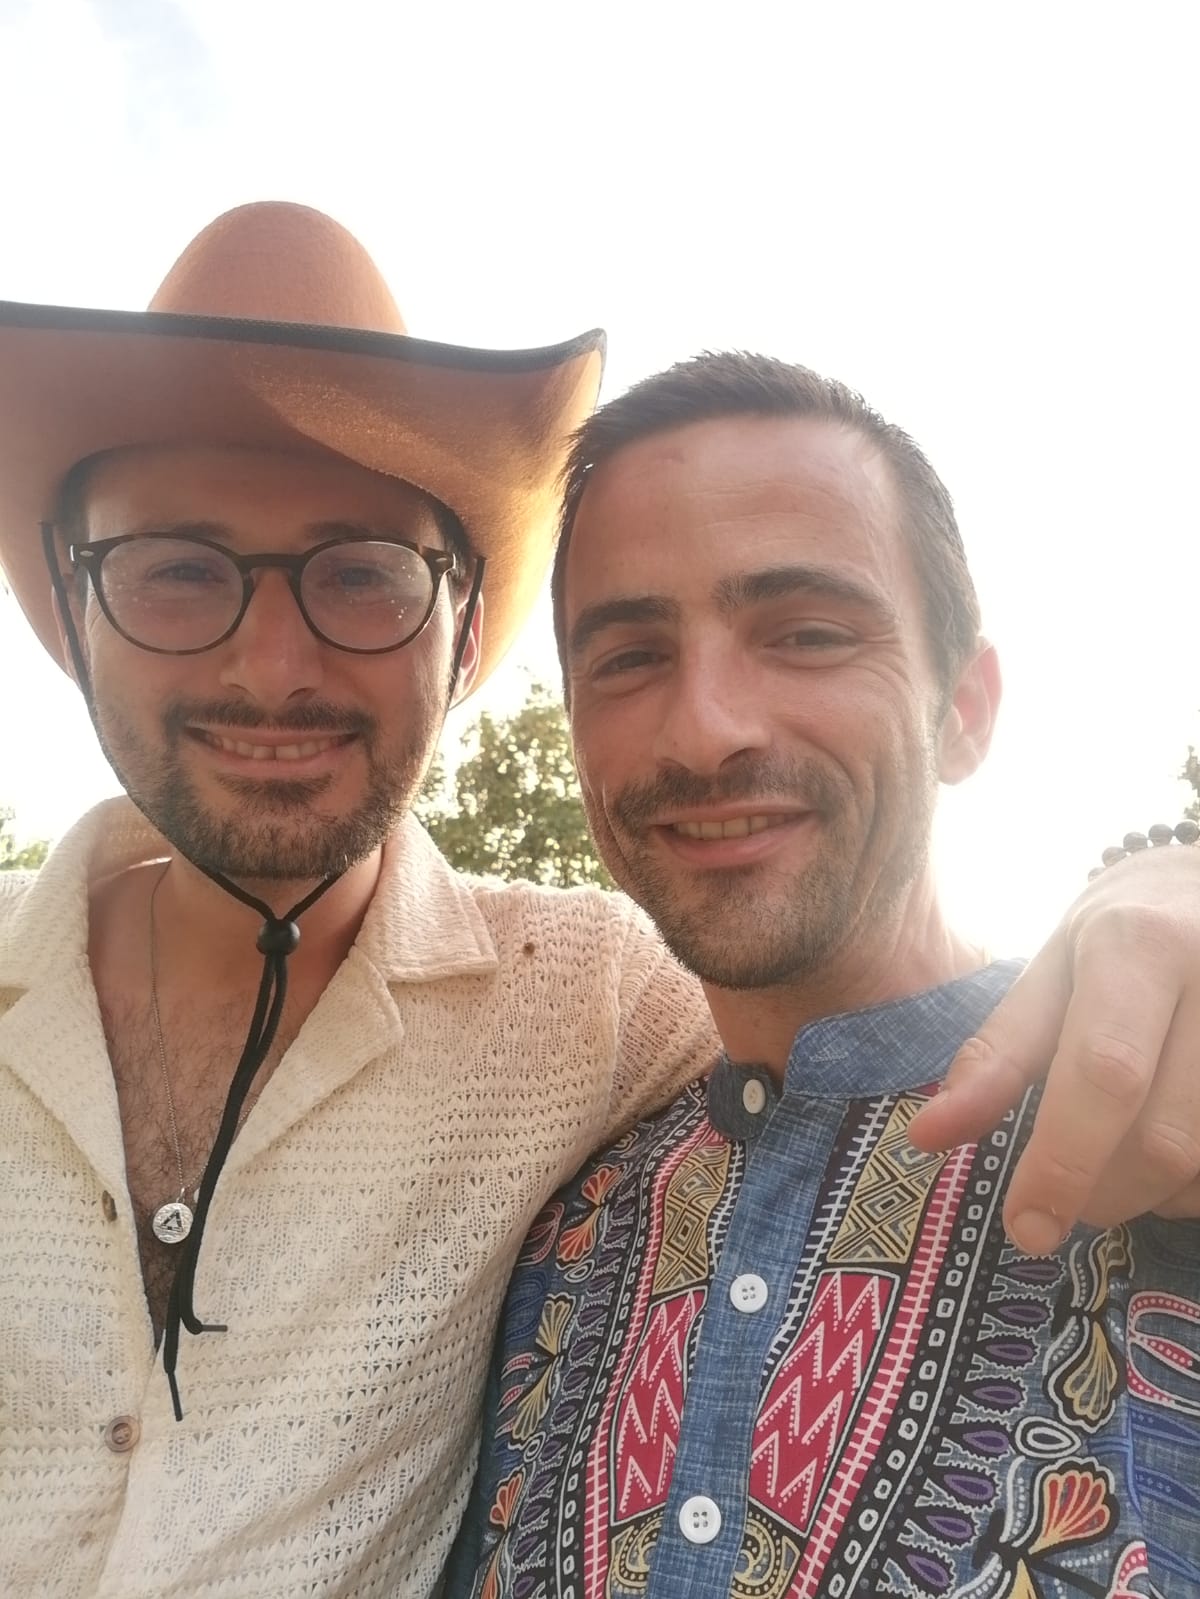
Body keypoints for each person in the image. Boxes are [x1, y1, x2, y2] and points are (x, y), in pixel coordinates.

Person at [0, 208, 1197, 1599]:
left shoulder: (597, 1001)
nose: (272, 668)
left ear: (459, 640)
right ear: (75, 610)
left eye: (363, 576)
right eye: (177, 570)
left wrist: (1162, 870)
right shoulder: (590, 1188)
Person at [451, 352, 1200, 1598]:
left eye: (806, 634)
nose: (707, 727)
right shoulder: (547, 1236)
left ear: (965, 709)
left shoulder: (1162, 1121)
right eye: (628, 657)